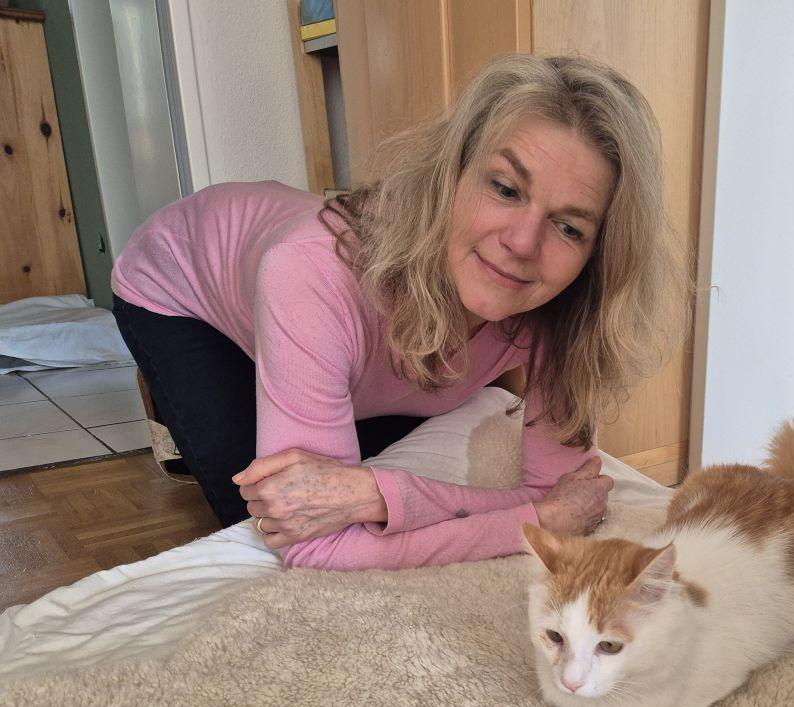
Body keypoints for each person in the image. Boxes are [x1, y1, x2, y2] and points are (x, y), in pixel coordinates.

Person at [110, 54, 682, 572]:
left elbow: (558, 491)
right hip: (179, 283)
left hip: (292, 281)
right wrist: (534, 521)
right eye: (506, 189)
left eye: (570, 227)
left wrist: (370, 493)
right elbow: (312, 545)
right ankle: (178, 413)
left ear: (598, 254)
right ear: (449, 176)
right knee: (258, 519)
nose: (523, 244)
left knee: (359, 482)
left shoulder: (564, 305)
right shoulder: (309, 270)